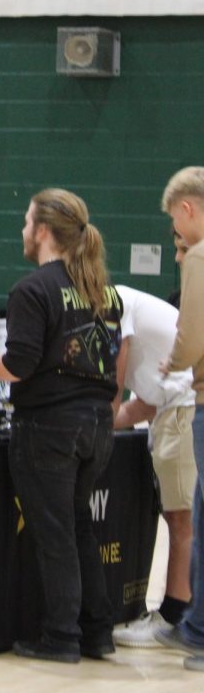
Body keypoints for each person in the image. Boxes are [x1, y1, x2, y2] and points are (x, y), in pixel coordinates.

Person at [0, 188, 122, 664]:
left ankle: (61, 637)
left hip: (51, 425)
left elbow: (20, 363)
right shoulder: (103, 289)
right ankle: (97, 631)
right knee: (78, 527)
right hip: (98, 423)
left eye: (27, 221)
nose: (22, 230)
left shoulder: (33, 289)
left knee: (54, 534)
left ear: (45, 231)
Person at [109, 283, 196, 647]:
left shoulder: (114, 303)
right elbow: (141, 406)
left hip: (182, 409)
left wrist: (104, 412)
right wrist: (102, 420)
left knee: (181, 518)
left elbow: (115, 373)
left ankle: (175, 617)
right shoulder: (136, 320)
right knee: (180, 517)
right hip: (173, 409)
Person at [155, 166, 204, 671]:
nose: (177, 234)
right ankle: (196, 627)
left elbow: (191, 335)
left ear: (186, 209)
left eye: (175, 222)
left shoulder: (201, 256)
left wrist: (174, 360)